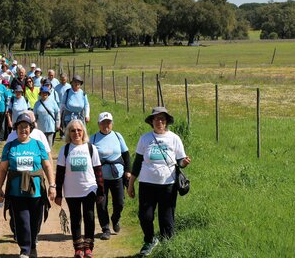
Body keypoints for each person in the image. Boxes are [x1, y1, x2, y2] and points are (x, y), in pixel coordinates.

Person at [127, 107, 192, 256]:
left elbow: (180, 161)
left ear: (167, 121)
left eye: (162, 119)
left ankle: (168, 248)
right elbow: (137, 163)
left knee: (167, 219)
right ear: (152, 122)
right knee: (145, 216)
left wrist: (184, 163)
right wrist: (131, 184)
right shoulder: (145, 138)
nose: (159, 121)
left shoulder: (174, 138)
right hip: (146, 184)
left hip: (167, 185)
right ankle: (149, 241)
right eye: (156, 119)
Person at [0, 112, 56, 258]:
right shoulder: (10, 146)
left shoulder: (38, 144)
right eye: (21, 126)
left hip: (36, 191)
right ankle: (25, 249)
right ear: (16, 128)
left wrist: (52, 185)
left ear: (31, 128)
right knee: (22, 220)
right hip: (16, 191)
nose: (24, 129)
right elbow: (3, 168)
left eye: (26, 127)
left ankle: (32, 245)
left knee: (35, 220)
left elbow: (47, 166)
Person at [55, 120, 105, 258]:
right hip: (71, 191)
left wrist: (101, 191)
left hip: (89, 188)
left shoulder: (91, 148)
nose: (76, 133)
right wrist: (58, 193)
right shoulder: (64, 150)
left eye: (79, 130)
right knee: (75, 218)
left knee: (89, 217)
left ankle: (88, 248)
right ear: (68, 133)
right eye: (73, 130)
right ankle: (78, 248)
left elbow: (98, 170)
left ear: (83, 132)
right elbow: (59, 173)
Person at [89, 112, 130, 241]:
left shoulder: (118, 136)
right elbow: (88, 157)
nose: (106, 125)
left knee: (120, 203)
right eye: (103, 123)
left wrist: (128, 171)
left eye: (108, 122)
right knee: (101, 204)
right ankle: (105, 228)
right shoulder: (93, 139)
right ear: (98, 124)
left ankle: (115, 218)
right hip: (100, 178)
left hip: (117, 176)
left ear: (112, 123)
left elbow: (126, 154)